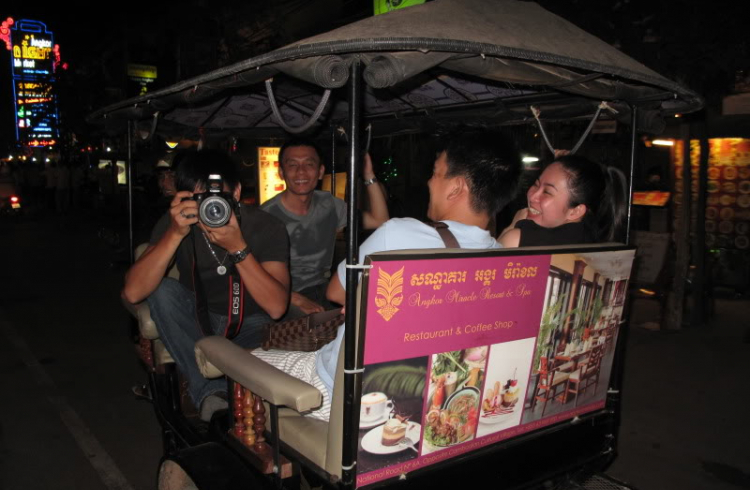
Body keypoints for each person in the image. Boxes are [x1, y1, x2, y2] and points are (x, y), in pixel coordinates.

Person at [252, 128, 521, 421]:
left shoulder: (399, 233)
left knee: (248, 361)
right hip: (419, 401)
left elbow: (336, 293)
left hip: (338, 392)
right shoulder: (503, 262)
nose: (429, 181)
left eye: (435, 173)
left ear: (455, 188)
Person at [122, 149, 290, 421]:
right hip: (197, 319)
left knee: (267, 330)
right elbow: (133, 291)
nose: (208, 208)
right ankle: (212, 393)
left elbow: (276, 308)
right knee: (163, 291)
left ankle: (218, 395)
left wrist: (238, 248)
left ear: (235, 193)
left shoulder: (266, 226)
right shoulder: (177, 223)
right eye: (197, 199)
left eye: (216, 197)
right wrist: (175, 233)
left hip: (251, 322)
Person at [261, 138, 389, 317]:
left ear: (320, 172)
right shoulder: (265, 216)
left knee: (372, 314)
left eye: (309, 164)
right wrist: (293, 298)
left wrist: (368, 175)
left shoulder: (329, 204)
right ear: (281, 172)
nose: (301, 171)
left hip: (325, 290)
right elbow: (254, 275)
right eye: (292, 165)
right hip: (285, 296)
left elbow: (379, 220)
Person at [497, 154, 627, 247]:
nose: (532, 196)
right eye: (536, 184)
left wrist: (512, 226)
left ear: (575, 211)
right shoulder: (597, 243)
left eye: (547, 192)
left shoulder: (518, 240)